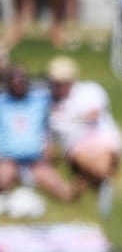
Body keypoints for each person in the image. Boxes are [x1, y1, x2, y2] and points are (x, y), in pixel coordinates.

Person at [46, 56, 122, 216]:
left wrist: (67, 117)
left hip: (103, 138)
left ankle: (86, 180)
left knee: (103, 158)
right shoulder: (48, 102)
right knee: (90, 161)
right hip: (76, 145)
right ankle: (102, 183)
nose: (59, 87)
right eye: (55, 82)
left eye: (62, 82)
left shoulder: (89, 90)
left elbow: (93, 114)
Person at [0, 66, 75, 203]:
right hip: (8, 159)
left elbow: (58, 95)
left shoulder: (40, 100)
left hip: (35, 159)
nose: (18, 84)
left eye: (21, 80)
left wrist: (49, 144)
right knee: (3, 179)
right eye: (13, 81)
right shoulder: (2, 102)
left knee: (61, 190)